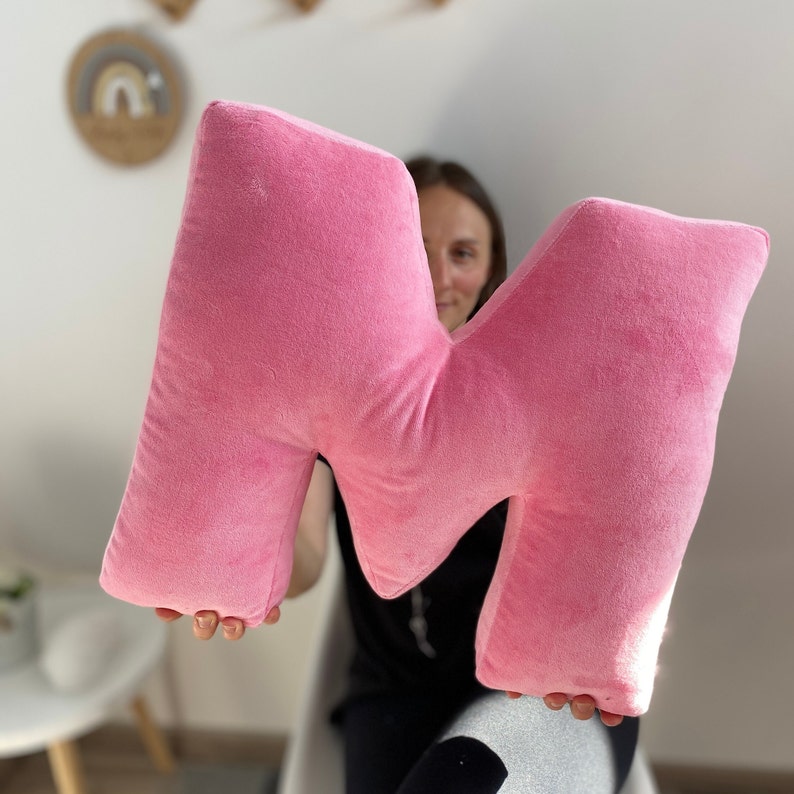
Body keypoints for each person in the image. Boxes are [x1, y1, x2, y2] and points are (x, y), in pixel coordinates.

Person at [156, 157, 640, 793]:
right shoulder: (335, 398)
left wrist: (627, 626)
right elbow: (302, 553)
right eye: (416, 248)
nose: (439, 276)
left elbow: (608, 542)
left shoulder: (537, 398)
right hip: (393, 691)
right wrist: (239, 578)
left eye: (462, 253)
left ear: (490, 270)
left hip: (532, 690)